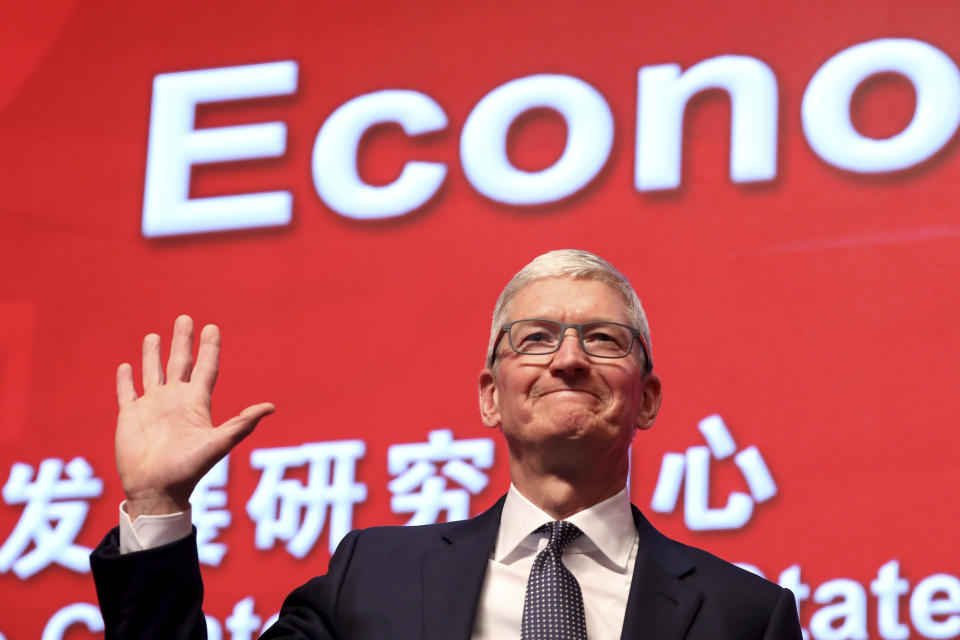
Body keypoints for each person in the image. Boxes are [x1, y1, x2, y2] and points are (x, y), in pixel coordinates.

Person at [91, 249, 803, 639]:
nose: (569, 359)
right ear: (491, 397)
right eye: (535, 339)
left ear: (646, 398)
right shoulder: (372, 577)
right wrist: (156, 507)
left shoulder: (744, 615)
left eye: (603, 339)